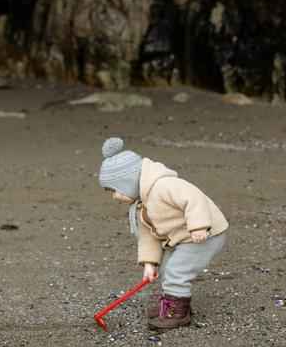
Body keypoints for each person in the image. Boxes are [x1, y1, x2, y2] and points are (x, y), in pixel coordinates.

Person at [98, 137, 229, 330]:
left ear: (129, 181)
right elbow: (148, 236)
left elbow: (193, 198)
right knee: (168, 267)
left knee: (177, 270)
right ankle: (173, 302)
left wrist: (198, 226)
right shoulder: (141, 206)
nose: (115, 196)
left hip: (206, 233)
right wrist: (150, 263)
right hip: (182, 239)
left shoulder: (164, 185)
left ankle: (177, 313)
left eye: (116, 190)